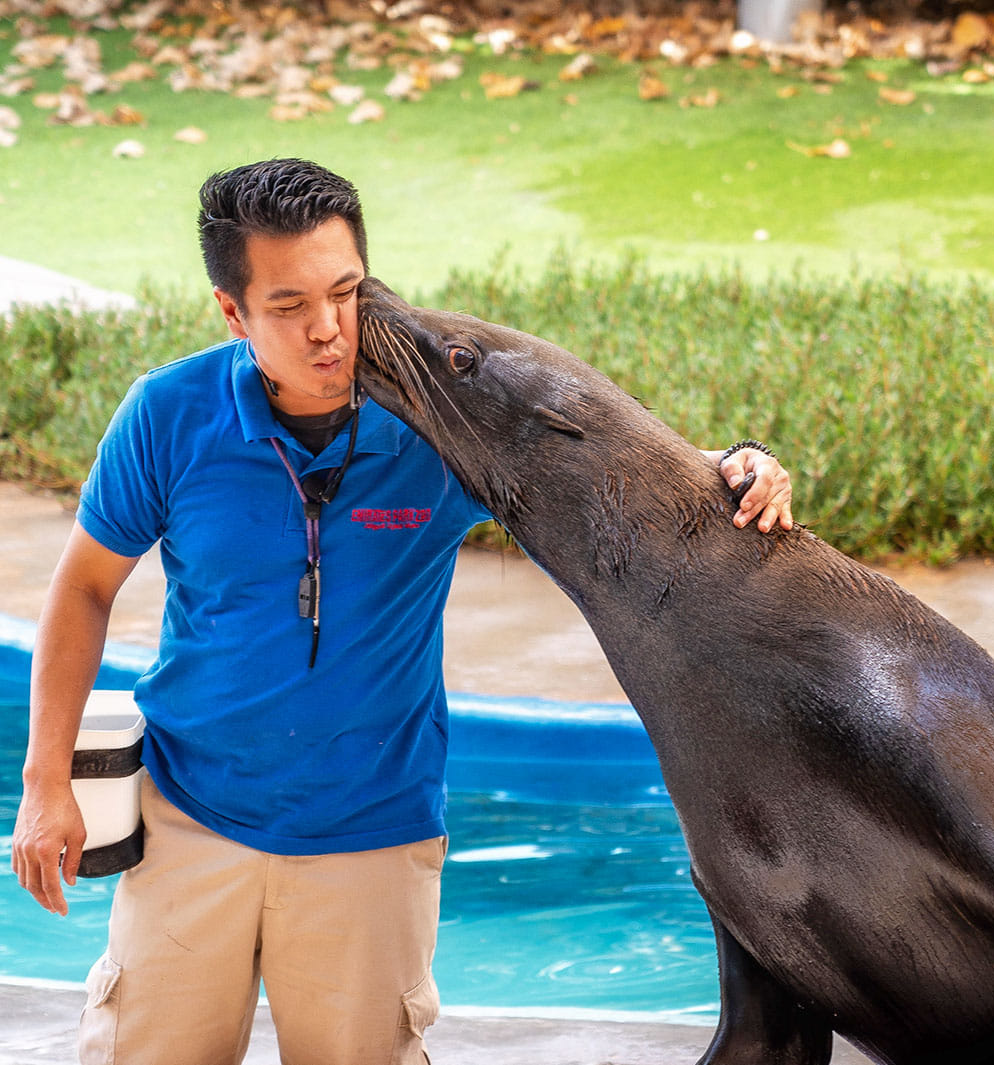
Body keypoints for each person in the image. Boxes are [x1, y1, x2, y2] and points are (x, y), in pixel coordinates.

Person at [12, 157, 794, 1064]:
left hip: (374, 837)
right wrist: (44, 782)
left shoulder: (442, 428)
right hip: (190, 818)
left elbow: (609, 468)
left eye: (345, 293)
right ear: (233, 312)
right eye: (289, 305)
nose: (328, 328)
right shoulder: (167, 415)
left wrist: (734, 463)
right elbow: (84, 586)